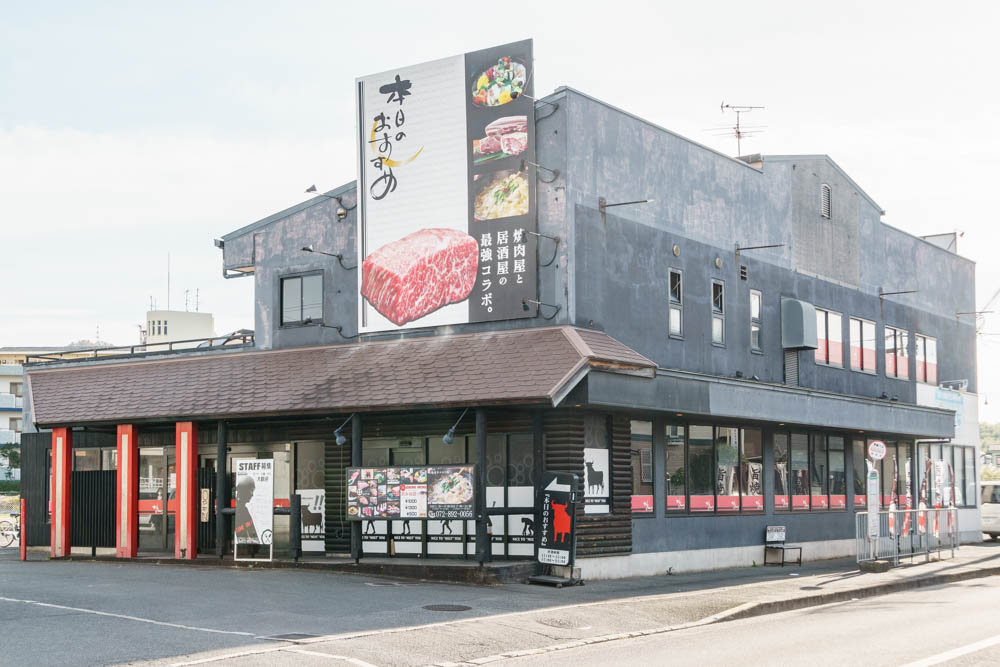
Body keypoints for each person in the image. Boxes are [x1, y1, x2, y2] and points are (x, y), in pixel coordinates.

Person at [234, 475, 258, 544]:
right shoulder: (242, 510)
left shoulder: (242, 509)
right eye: (251, 490)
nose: (252, 494)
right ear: (244, 490)